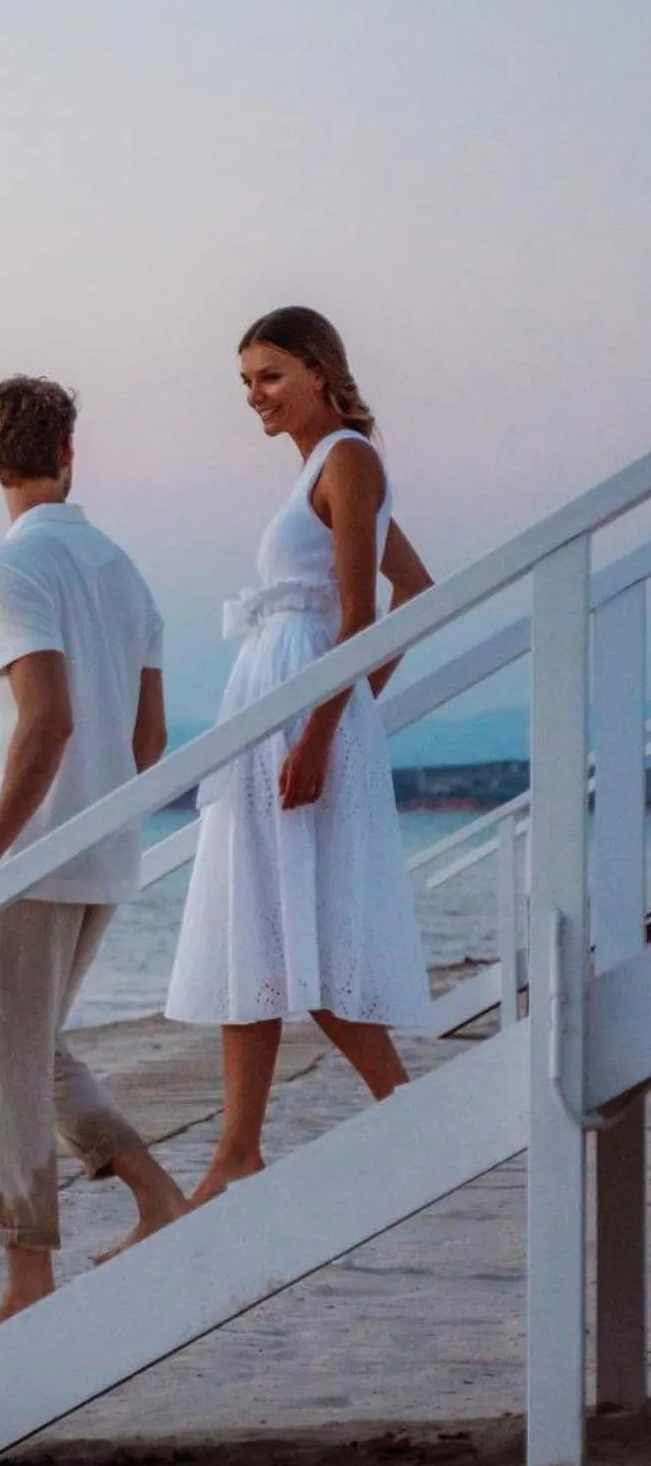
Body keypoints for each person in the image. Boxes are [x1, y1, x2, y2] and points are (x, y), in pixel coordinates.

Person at [0, 375, 188, 1361]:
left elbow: (49, 716)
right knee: (28, 1049)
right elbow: (146, 737)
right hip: (101, 846)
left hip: (31, 857)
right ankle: (157, 1198)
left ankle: (27, 1278)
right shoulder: (122, 570)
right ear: (70, 452)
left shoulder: (6, 569)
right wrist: (92, 814)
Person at [165, 307, 436, 1202]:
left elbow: (367, 612)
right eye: (245, 382)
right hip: (284, 707)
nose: (255, 397)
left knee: (292, 920)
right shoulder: (324, 468)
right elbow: (418, 589)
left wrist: (332, 725)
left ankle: (403, 1107)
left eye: (271, 376)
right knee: (259, 920)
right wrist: (348, 707)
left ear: (320, 370)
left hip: (298, 717)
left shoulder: (349, 459)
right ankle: (236, 1150)